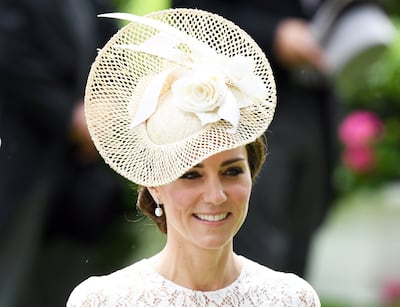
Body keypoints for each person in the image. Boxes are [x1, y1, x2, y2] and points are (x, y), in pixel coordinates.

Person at [67, 8, 321, 306]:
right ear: (154, 184)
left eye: (231, 171)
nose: (215, 195)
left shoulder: (291, 298)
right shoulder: (102, 300)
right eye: (190, 174)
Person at [172, 0, 339, 277]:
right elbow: (191, 17)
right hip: (244, 112)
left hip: (315, 107)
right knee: (250, 251)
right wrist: (274, 34)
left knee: (298, 256)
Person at [0, 1, 133, 306]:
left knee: (71, 280)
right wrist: (69, 117)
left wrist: (103, 117)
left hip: (82, 165)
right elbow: (10, 53)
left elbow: (115, 54)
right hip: (22, 153)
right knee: (11, 270)